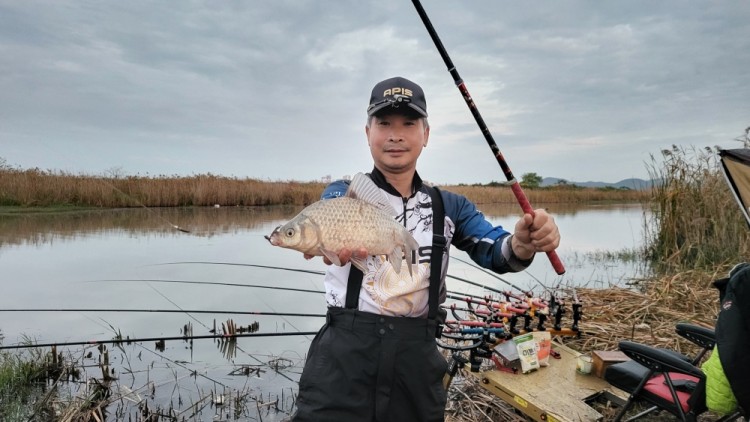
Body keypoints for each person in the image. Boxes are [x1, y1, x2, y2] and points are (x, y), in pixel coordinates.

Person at [292, 76, 561, 422]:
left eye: (409, 123)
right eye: (384, 123)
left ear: (426, 134)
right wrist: (320, 240)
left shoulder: (450, 206)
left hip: (416, 362)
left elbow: (496, 251)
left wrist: (523, 244)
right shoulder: (344, 193)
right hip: (341, 361)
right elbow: (328, 209)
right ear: (368, 132)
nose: (395, 135)